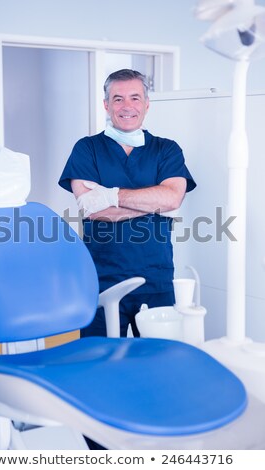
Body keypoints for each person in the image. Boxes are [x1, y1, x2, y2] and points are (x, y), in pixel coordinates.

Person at [59, 69, 196, 338]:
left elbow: (171, 198)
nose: (127, 107)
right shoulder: (87, 149)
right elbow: (93, 209)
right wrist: (151, 201)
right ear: (106, 105)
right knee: (99, 360)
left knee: (158, 359)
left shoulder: (166, 150)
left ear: (146, 104)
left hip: (155, 277)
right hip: (101, 278)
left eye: (135, 98)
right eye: (118, 99)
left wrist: (110, 195)